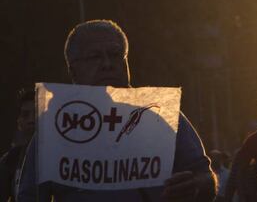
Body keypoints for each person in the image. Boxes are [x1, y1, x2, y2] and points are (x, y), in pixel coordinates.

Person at [18, 19, 216, 202]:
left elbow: (207, 178)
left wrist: (195, 185)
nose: (107, 64)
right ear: (73, 71)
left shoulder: (158, 114)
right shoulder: (54, 131)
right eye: (95, 57)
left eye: (115, 55)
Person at [0, 89, 35, 202]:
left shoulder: (58, 158)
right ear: (19, 121)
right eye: (25, 114)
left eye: (37, 113)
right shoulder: (10, 160)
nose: (31, 119)